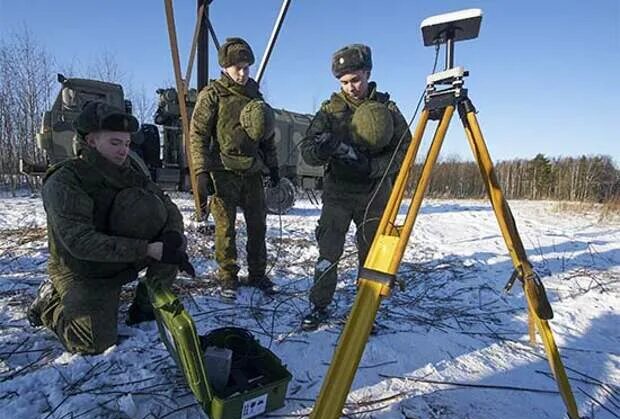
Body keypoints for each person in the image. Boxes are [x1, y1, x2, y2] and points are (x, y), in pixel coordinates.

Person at [27, 101, 194, 355]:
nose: (123, 151)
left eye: (127, 144)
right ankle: (50, 302)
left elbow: (167, 205)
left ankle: (145, 308)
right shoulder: (66, 180)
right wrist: (147, 249)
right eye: (115, 143)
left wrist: (171, 238)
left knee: (173, 242)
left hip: (124, 258)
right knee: (92, 342)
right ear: (91, 142)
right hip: (82, 269)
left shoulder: (129, 171)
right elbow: (80, 243)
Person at [299, 44, 412, 330]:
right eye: (344, 82)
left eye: (356, 80)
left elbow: (405, 149)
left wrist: (373, 168)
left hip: (374, 193)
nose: (351, 87)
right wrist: (323, 149)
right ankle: (319, 305)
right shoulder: (329, 111)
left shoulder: (387, 109)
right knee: (328, 251)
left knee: (372, 254)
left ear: (368, 73)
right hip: (338, 193)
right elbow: (307, 151)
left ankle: (365, 310)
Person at [189, 37, 279, 299]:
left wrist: (273, 167)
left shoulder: (255, 96)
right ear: (225, 67)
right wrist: (200, 171)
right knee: (225, 228)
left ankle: (258, 274)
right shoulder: (213, 95)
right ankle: (228, 276)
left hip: (251, 171)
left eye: (246, 67)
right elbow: (197, 135)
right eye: (237, 67)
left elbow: (267, 136)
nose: (242, 72)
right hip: (222, 171)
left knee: (258, 226)